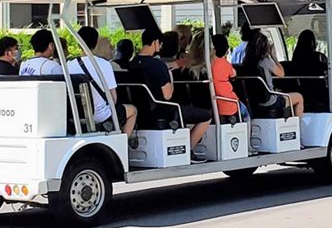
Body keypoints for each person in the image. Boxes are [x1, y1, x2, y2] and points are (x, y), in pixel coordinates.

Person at [130, 27, 211, 158]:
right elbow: (167, 95)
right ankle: (188, 149)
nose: (161, 46)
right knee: (206, 116)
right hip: (161, 109)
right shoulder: (157, 65)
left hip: (140, 109)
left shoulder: (132, 63)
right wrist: (170, 77)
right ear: (155, 42)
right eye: (160, 43)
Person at [68, 26, 137, 136]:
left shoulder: (69, 65)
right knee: (132, 110)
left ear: (77, 43)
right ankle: (123, 144)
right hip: (100, 114)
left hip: (77, 114)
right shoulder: (104, 64)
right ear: (96, 43)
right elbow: (113, 98)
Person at [241, 31, 303, 117]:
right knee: (299, 97)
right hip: (270, 102)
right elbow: (281, 74)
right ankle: (299, 126)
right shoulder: (266, 61)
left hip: (253, 102)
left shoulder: (246, 62)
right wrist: (274, 57)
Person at [210, 33, 241, 120]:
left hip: (213, 105)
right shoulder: (225, 64)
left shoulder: (208, 64)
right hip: (230, 103)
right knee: (246, 115)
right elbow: (234, 74)